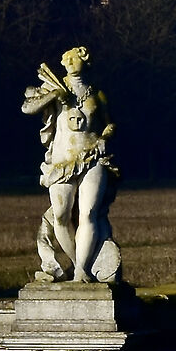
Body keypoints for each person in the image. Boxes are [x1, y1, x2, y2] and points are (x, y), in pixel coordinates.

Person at [22, 47, 121, 283]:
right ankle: (78, 263)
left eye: (74, 59)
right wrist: (54, 95)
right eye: (67, 60)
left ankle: (81, 271)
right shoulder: (54, 88)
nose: (69, 62)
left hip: (92, 157)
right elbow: (27, 108)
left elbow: (110, 124)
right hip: (62, 162)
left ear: (85, 63)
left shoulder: (97, 94)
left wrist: (104, 138)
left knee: (89, 213)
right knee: (61, 216)